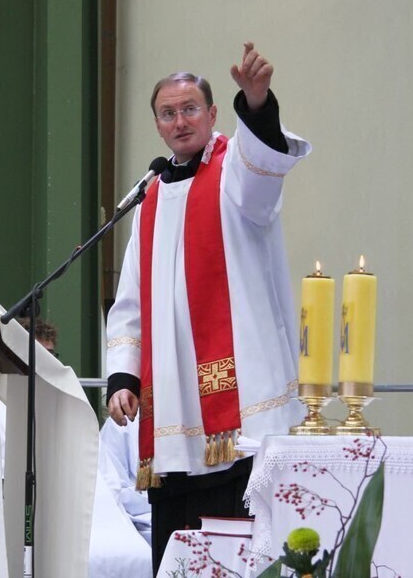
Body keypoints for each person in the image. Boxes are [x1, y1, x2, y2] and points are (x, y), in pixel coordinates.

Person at [105, 41, 312, 573]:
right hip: (172, 409)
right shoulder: (148, 197)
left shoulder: (235, 174)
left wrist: (259, 105)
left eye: (190, 108)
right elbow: (129, 301)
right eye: (168, 113)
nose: (180, 121)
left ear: (214, 113)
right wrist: (123, 377)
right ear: (156, 124)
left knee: (243, 550)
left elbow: (264, 170)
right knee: (177, 549)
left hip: (240, 411)